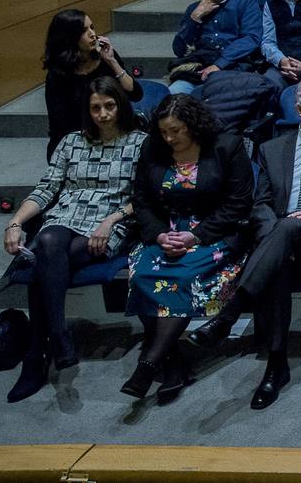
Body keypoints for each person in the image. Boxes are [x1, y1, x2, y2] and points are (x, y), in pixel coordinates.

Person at [187, 77, 301, 409]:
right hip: (283, 239)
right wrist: (273, 232)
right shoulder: (272, 149)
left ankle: (229, 315)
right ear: (300, 110)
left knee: (286, 232)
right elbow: (261, 203)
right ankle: (276, 364)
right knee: (279, 253)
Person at [2, 77, 145, 402]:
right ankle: (58, 334)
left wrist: (111, 220)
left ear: (120, 106)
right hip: (66, 216)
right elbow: (47, 189)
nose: (103, 114)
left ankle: (37, 355)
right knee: (49, 242)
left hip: (109, 221)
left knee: (43, 259)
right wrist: (15, 222)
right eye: (96, 108)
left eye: (109, 106)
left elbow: (146, 195)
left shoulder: (140, 143)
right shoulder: (71, 142)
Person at [121, 95, 253, 403]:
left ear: (193, 125)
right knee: (141, 275)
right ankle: (172, 360)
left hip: (214, 234)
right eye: (164, 132)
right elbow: (141, 199)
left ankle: (149, 363)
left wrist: (195, 236)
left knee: (183, 278)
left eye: (176, 131)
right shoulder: (153, 147)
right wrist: (158, 235)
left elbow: (238, 203)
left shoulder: (226, 146)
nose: (169, 138)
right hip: (166, 231)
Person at [41, 9, 141, 158]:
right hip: (77, 139)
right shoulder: (58, 76)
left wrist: (112, 61)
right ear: (70, 37)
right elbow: (60, 124)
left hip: (113, 131)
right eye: (84, 31)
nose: (92, 34)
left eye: (92, 27)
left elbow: (135, 94)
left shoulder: (106, 59)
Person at [170, 0, 263, 95]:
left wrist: (220, 64)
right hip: (198, 68)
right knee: (174, 93)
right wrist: (194, 19)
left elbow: (251, 38)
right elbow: (179, 49)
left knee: (217, 96)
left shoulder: (246, 4)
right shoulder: (194, 9)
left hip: (233, 66)